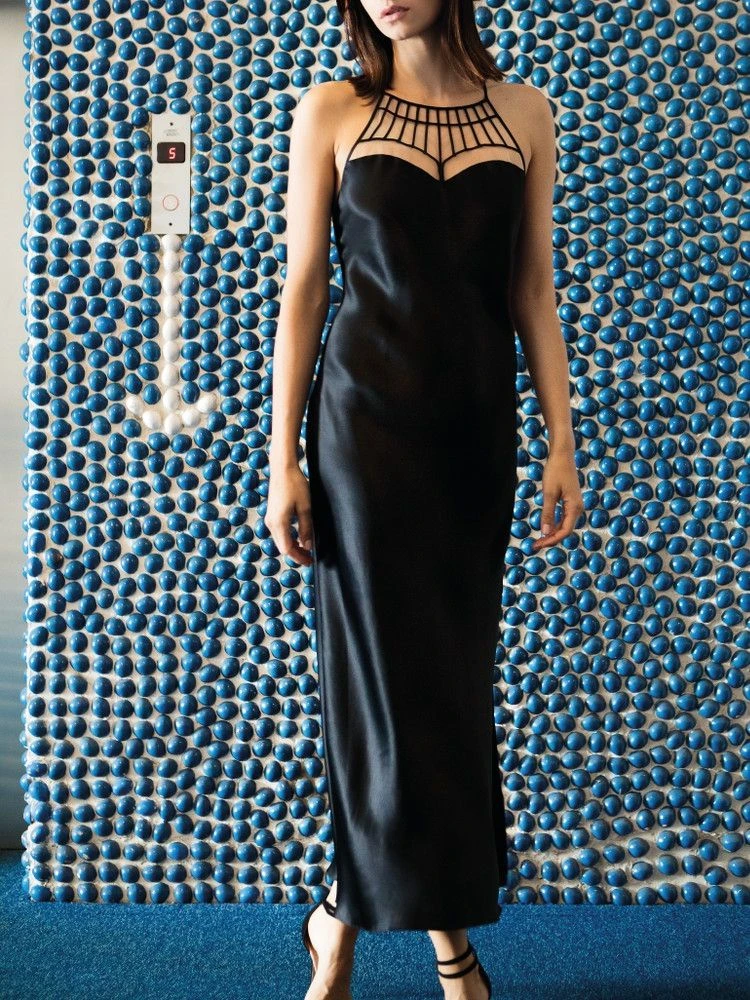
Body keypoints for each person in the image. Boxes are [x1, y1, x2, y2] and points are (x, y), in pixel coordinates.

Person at [267, 0, 584, 994]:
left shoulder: (525, 112)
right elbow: (304, 288)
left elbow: (533, 288)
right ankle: (453, 953)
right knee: (382, 692)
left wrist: (562, 441)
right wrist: (283, 459)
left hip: (474, 437)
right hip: (361, 433)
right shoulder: (331, 109)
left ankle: (336, 917)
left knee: (449, 689)